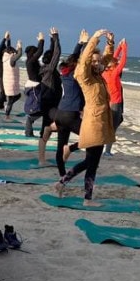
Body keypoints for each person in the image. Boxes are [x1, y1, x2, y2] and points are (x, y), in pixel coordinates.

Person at [54, 28, 115, 207]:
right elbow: (86, 60)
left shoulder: (97, 75)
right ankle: (75, 191)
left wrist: (110, 43)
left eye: (98, 61)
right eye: (94, 61)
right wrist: (94, 39)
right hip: (93, 123)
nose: (97, 64)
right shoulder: (85, 77)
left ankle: (64, 185)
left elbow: (106, 59)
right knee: (91, 161)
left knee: (92, 162)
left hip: (101, 123)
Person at [51, 30, 87, 178]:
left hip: (61, 113)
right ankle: (71, 148)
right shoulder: (75, 74)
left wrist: (80, 44)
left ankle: (61, 175)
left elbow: (75, 57)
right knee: (90, 138)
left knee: (60, 147)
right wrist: (85, 45)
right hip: (70, 114)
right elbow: (81, 60)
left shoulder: (65, 72)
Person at [35, 27, 62, 167]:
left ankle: (41, 159)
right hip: (50, 105)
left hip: (50, 103)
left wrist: (51, 40)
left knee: (47, 130)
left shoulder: (46, 69)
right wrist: (56, 37)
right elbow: (57, 53)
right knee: (50, 128)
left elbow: (53, 53)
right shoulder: (50, 70)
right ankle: (41, 160)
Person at [102, 34, 127, 156]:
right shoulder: (114, 73)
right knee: (113, 128)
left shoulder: (105, 72)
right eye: (115, 63)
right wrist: (125, 47)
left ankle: (104, 148)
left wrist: (119, 48)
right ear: (113, 66)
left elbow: (115, 59)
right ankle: (107, 151)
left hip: (109, 102)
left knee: (116, 122)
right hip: (115, 104)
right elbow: (122, 61)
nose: (117, 64)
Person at [22, 32, 45, 137]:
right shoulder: (31, 61)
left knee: (38, 108)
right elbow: (40, 51)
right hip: (35, 86)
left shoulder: (31, 62)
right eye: (35, 53)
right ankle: (28, 132)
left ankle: (29, 132)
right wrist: (41, 40)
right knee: (37, 109)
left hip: (35, 85)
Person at [1, 40, 23, 122]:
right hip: (11, 83)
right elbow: (19, 54)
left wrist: (16, 47)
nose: (14, 53)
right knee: (11, 100)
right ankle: (7, 116)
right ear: (11, 52)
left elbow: (16, 54)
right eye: (13, 52)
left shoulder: (6, 58)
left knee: (17, 96)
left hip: (8, 82)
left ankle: (7, 109)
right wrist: (20, 46)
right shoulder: (11, 60)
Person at [0, 31, 12, 110]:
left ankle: (2, 103)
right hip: (0, 76)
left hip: (5, 75)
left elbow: (8, 49)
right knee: (3, 90)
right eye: (5, 50)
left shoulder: (6, 57)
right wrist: (4, 38)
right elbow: (0, 48)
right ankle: (0, 105)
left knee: (5, 90)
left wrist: (9, 40)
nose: (7, 51)